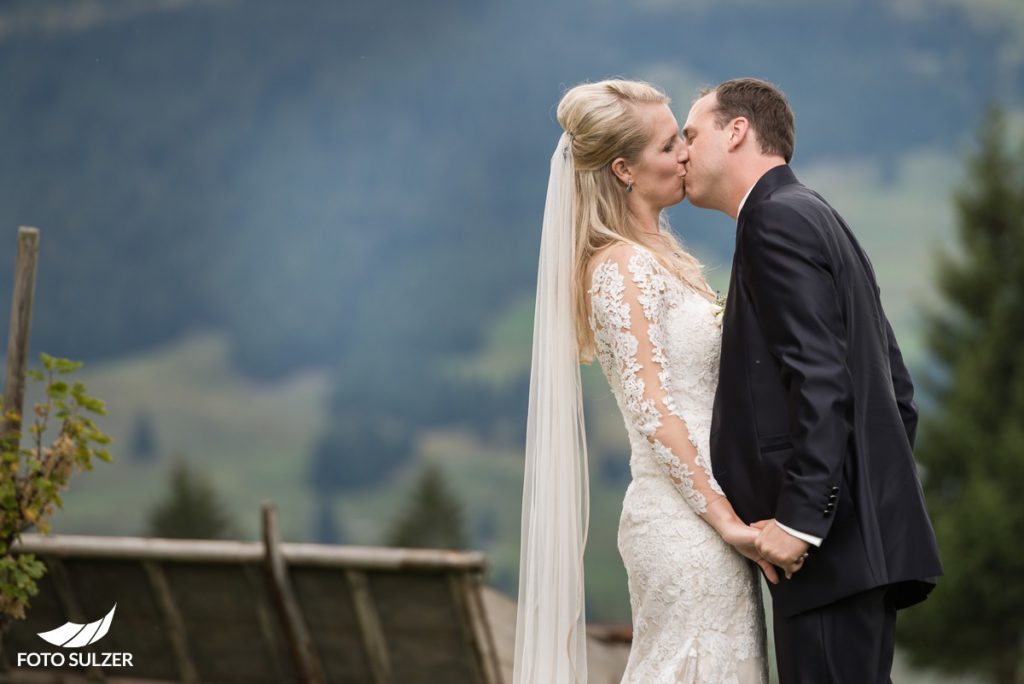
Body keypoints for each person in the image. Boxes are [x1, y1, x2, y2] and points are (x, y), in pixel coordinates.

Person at [682, 77, 943, 683]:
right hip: (853, 548)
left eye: (692, 134)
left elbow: (822, 383)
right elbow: (895, 392)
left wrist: (801, 522)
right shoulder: (818, 214)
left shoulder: (773, 222)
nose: (684, 151)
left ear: (737, 130)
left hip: (824, 557)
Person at [514, 79, 771, 684]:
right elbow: (654, 411)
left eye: (682, 137)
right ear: (624, 169)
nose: (686, 152)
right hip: (687, 523)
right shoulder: (620, 268)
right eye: (668, 146)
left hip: (710, 513)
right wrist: (726, 520)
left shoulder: (661, 257)